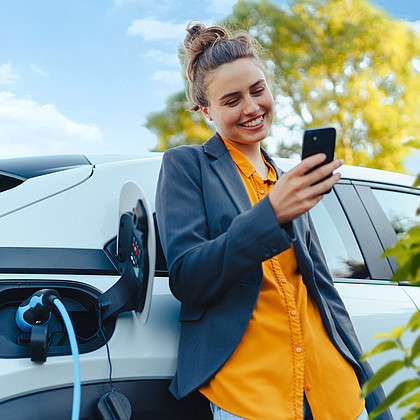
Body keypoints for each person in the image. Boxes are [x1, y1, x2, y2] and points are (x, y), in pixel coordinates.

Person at [155, 22, 392, 420]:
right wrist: (271, 215)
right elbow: (187, 277)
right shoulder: (186, 165)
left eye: (258, 90)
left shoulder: (284, 180)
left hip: (334, 390)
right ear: (205, 111)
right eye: (231, 100)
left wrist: (374, 396)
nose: (251, 108)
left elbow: (324, 294)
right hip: (252, 396)